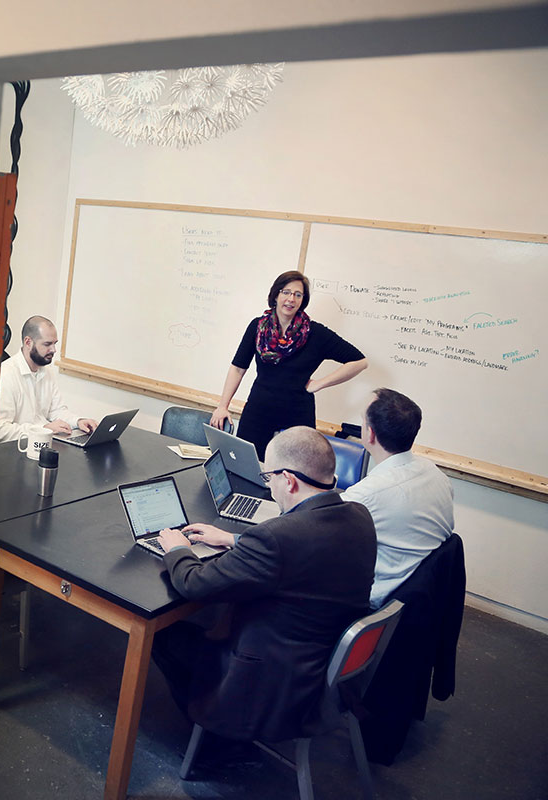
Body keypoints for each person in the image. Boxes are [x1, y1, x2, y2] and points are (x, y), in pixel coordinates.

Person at [153, 427, 376, 742]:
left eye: (268, 478)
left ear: (289, 480)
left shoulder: (277, 537)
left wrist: (178, 548)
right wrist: (234, 539)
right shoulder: (358, 515)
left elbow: (193, 583)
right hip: (321, 666)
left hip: (272, 681)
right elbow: (306, 547)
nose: (269, 487)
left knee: (165, 633)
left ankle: (215, 742)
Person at [209, 271, 369, 460]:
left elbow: (360, 361)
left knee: (297, 470)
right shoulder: (258, 327)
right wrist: (223, 406)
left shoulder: (315, 333)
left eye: (298, 295)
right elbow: (238, 368)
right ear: (276, 295)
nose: (291, 299)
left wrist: (319, 383)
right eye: (286, 292)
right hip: (259, 409)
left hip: (298, 415)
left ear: (303, 300)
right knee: (247, 466)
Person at [342, 388, 454, 609]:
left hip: (373, 603)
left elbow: (310, 528)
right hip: (415, 597)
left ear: (370, 434)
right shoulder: (434, 474)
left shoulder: (369, 494)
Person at [0, 316, 97, 443]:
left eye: (55, 343)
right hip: (18, 449)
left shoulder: (46, 370)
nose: (53, 350)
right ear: (28, 342)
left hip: (42, 444)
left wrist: (78, 421)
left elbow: (57, 411)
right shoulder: (6, 374)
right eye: (47, 344)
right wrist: (42, 429)